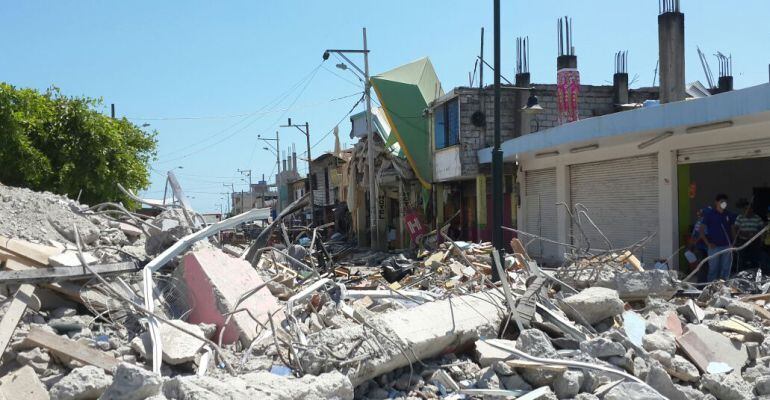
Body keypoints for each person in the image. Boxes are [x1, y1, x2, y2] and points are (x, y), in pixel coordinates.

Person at [700, 194, 735, 281]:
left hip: (727, 246)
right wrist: (708, 243)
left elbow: (732, 229)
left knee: (726, 270)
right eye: (722, 201)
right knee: (713, 270)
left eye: (725, 202)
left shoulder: (729, 214)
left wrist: (733, 243)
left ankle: (723, 289)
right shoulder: (709, 214)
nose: (724, 203)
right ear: (716, 202)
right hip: (714, 247)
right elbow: (701, 230)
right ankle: (710, 289)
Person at [733, 199, 765, 270]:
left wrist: (760, 240)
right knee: (741, 259)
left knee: (755, 259)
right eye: (746, 209)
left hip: (754, 242)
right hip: (743, 241)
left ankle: (754, 275)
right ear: (744, 209)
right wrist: (736, 239)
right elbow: (735, 229)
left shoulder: (757, 218)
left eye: (749, 208)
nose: (748, 210)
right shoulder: (740, 217)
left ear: (752, 209)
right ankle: (740, 274)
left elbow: (762, 229)